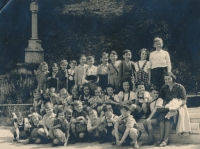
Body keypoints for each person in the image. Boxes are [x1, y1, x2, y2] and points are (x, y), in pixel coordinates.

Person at [155, 72, 190, 147]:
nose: (167, 81)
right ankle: (161, 139)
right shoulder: (164, 87)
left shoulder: (179, 87)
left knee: (169, 118)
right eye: (165, 79)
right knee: (161, 117)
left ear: (173, 78)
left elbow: (184, 100)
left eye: (169, 79)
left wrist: (176, 106)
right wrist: (159, 104)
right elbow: (160, 97)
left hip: (177, 107)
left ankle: (165, 140)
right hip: (166, 107)